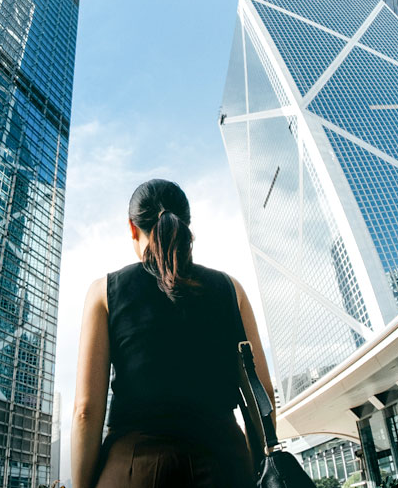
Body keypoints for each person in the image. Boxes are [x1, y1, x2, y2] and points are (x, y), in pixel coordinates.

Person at [71, 179, 275, 488]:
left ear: (131, 227)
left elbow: (86, 412)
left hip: (131, 470)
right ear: (186, 225)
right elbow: (263, 394)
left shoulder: (104, 292)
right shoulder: (232, 290)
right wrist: (256, 469)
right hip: (225, 466)